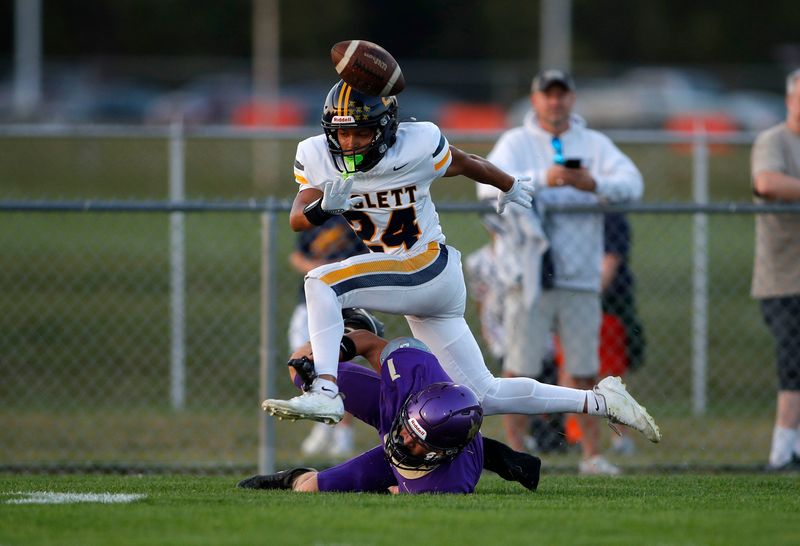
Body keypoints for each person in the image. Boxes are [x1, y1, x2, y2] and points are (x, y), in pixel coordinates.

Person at [261, 79, 660, 449]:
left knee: (321, 281)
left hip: (426, 264)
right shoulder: (319, 157)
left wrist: (510, 184)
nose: (349, 143)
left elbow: (466, 161)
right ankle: (601, 400)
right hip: (423, 282)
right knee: (484, 393)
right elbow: (297, 217)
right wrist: (320, 208)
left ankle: (327, 392)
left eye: (361, 132)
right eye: (342, 133)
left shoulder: (414, 147)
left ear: (385, 130)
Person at [480, 69, 646, 474]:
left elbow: (633, 184)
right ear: (535, 100)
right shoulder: (515, 143)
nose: (555, 102)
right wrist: (542, 180)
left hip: (580, 274)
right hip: (529, 274)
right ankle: (515, 456)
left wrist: (593, 184)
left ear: (572, 99)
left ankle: (592, 456)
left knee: (584, 370)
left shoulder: (594, 144)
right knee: (519, 369)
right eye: (547, 95)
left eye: (562, 95)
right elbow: (486, 189)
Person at [240, 329, 540, 494]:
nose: (404, 442)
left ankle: (292, 476)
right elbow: (368, 343)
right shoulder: (412, 377)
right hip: (396, 409)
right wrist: (335, 354)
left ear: (445, 453)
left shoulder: (447, 484)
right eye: (411, 433)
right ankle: (350, 321)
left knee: (308, 489)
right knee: (303, 369)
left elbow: (403, 491)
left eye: (418, 443)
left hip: (422, 455)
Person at [751, 68, 800, 471]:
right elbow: (767, 183)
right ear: (790, 100)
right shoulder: (774, 141)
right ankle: (780, 452)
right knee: (793, 360)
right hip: (783, 277)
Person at [287, 215, 368, 458]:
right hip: (309, 303)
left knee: (346, 369)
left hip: (347, 301)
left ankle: (343, 431)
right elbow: (297, 256)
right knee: (306, 363)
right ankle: (322, 423)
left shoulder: (356, 219)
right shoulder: (314, 217)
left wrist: (333, 271)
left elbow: (367, 260)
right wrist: (317, 271)